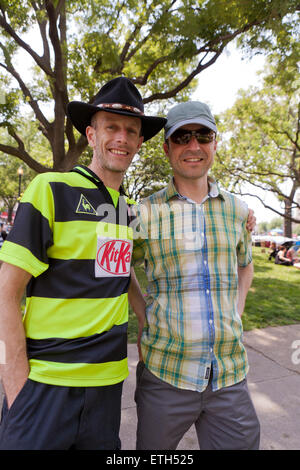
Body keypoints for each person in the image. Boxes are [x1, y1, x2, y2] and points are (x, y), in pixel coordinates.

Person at [0, 77, 166, 450]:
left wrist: (144, 313)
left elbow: (116, 272)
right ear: (91, 135)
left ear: (139, 143)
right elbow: (4, 294)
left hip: (106, 390)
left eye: (131, 131)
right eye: (111, 127)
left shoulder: (126, 211)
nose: (121, 138)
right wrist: (17, 389)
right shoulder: (50, 189)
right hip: (44, 388)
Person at [131, 101, 260, 450]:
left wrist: (238, 307)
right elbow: (121, 265)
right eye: (182, 137)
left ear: (215, 143)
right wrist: (143, 315)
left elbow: (245, 263)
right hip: (166, 375)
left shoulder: (238, 210)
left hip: (230, 377)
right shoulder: (144, 213)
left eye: (203, 136)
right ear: (166, 147)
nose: (193, 146)